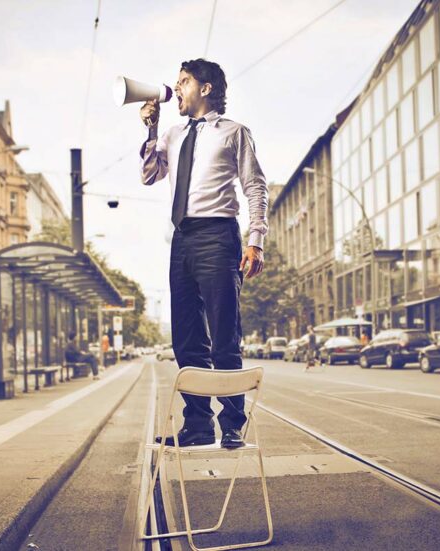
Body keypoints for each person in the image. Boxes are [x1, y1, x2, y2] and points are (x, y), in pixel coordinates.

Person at [140, 59, 268, 449]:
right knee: (187, 339)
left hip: (218, 236)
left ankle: (232, 424)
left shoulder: (234, 133)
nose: (175, 88)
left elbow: (255, 186)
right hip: (182, 239)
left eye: (183, 82)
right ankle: (197, 425)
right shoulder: (173, 134)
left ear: (205, 88)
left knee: (224, 334)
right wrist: (151, 127)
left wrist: (256, 239)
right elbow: (149, 175)